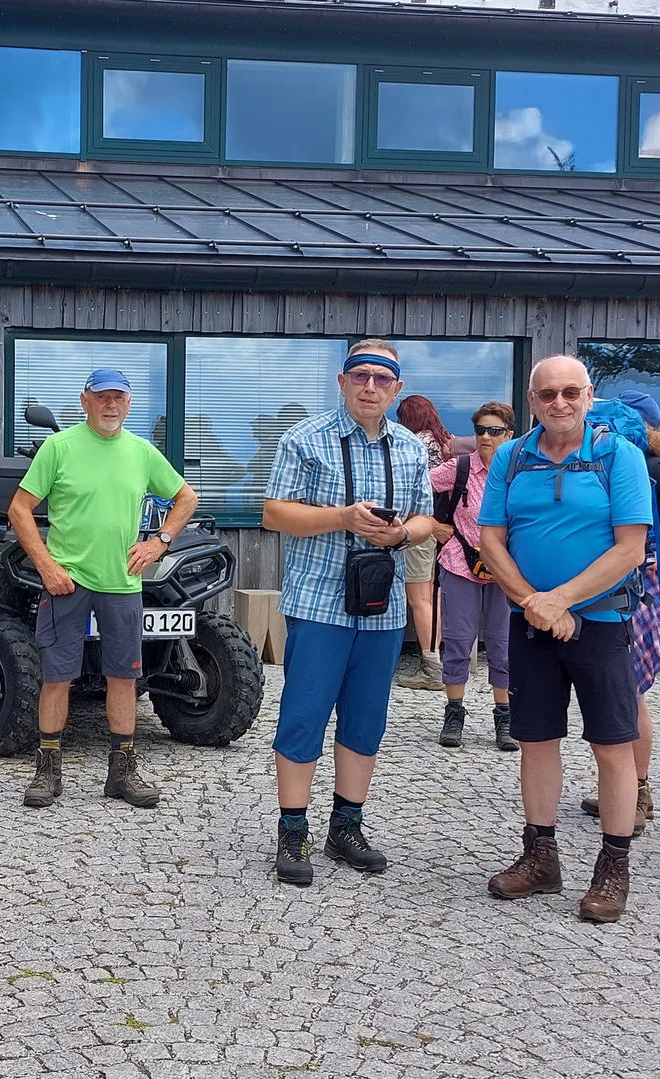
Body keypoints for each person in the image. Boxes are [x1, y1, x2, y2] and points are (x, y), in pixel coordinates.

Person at [476, 355, 651, 923]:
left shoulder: (617, 455)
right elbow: (490, 539)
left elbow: (630, 548)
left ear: (589, 395)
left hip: (600, 623)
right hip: (532, 622)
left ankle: (613, 868)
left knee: (611, 746)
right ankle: (541, 858)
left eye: (571, 392)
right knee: (536, 739)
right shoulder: (511, 455)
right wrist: (536, 603)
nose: (560, 403)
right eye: (547, 393)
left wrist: (563, 600)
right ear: (531, 401)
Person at [262, 339, 435, 886]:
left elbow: (428, 520)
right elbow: (273, 514)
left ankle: (347, 824)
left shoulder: (410, 448)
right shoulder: (306, 439)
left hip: (381, 610)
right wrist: (342, 518)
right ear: (341, 382)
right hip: (319, 603)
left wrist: (401, 532)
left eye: (382, 380)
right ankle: (293, 830)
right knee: (304, 716)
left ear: (396, 389)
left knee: (366, 720)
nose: (369, 387)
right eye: (359, 376)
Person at [8, 368, 199, 811]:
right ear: (85, 401)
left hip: (122, 584)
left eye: (119, 397)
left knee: (124, 677)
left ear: (129, 404)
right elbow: (19, 510)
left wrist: (159, 542)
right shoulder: (59, 448)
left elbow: (186, 498)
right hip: (66, 583)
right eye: (102, 397)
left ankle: (122, 771)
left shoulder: (142, 452)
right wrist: (47, 566)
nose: (111, 405)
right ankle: (48, 769)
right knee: (57, 677)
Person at [576, 390, 660, 834]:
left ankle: (636, 792)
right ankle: (624, 788)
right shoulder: (633, 464)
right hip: (627, 584)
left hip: (640, 586)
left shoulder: (653, 466)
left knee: (626, 692)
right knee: (621, 692)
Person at [428, 402, 516, 750]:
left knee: (503, 645)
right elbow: (413, 487)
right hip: (459, 564)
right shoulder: (459, 468)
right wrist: (432, 525)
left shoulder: (520, 472)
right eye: (480, 429)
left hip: (507, 571)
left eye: (494, 431)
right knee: (459, 641)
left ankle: (504, 717)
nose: (485, 437)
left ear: (509, 435)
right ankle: (454, 713)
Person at [393, 395, 451, 692]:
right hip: (440, 529)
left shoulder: (416, 443)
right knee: (432, 598)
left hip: (419, 527)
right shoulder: (445, 442)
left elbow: (414, 491)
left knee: (419, 599)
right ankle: (436, 662)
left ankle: (431, 668)